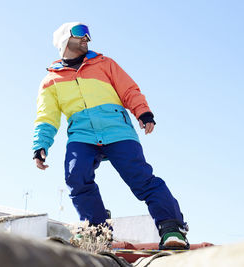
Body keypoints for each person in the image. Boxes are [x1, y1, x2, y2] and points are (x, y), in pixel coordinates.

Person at [33, 22, 189, 249]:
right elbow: (46, 117)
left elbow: (128, 89)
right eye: (80, 34)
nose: (87, 38)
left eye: (88, 34)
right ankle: (97, 231)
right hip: (82, 135)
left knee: (141, 179)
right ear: (65, 40)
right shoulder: (51, 80)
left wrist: (142, 112)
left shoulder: (104, 64)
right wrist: (40, 144)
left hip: (117, 129)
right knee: (76, 176)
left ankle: (172, 229)